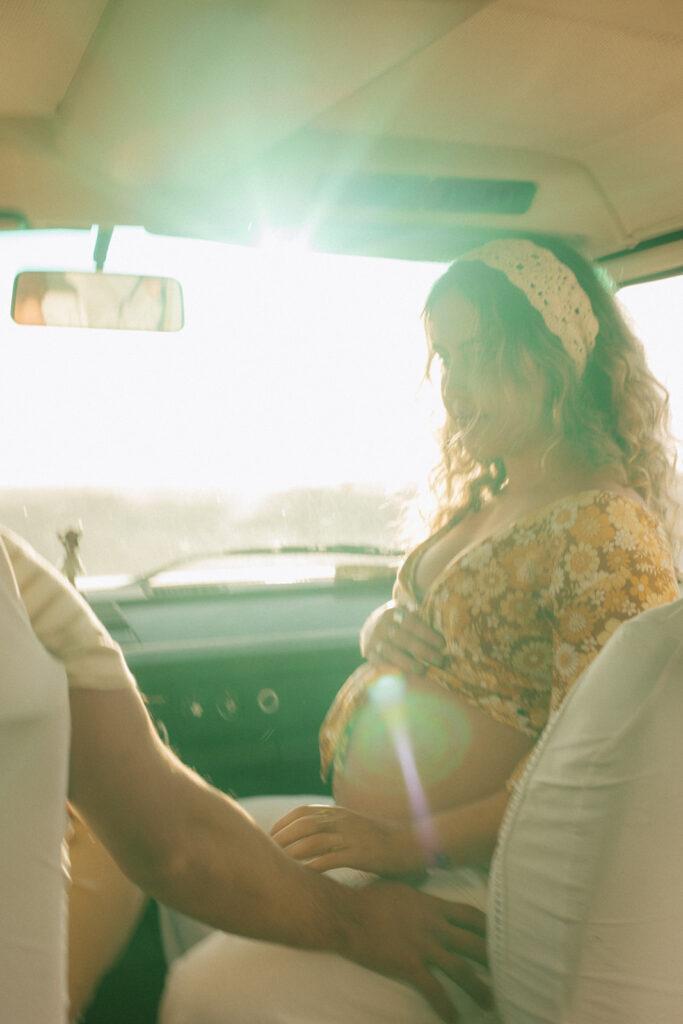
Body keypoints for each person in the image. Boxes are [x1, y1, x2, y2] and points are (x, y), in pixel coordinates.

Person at [158, 235, 681, 1023]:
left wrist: (405, 846)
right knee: (188, 870)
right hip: (400, 845)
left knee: (206, 991)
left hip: (476, 876)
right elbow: (447, 625)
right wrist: (382, 631)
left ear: (554, 358)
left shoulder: (605, 530)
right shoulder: (492, 493)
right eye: (444, 359)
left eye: (479, 355)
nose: (454, 388)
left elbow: (595, 780)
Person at [0, 526, 491, 1024]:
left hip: (449, 856)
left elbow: (175, 838)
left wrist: (391, 869)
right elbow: (173, 840)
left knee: (200, 985)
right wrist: (356, 918)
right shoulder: (19, 583)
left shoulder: (19, 584)